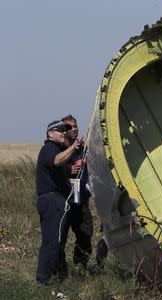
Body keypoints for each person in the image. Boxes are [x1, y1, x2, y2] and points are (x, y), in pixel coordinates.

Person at [35, 120, 82, 285]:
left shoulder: (57, 149)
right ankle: (44, 279)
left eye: (65, 130)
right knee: (53, 241)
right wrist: (74, 147)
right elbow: (56, 161)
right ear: (50, 134)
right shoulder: (49, 148)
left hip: (55, 200)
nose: (63, 132)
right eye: (59, 130)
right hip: (52, 200)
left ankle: (52, 276)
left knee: (54, 240)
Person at [61, 114, 93, 269]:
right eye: (69, 127)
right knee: (61, 236)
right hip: (64, 201)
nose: (73, 129)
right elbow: (51, 167)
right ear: (62, 130)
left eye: (75, 126)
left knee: (86, 233)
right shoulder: (59, 149)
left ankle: (80, 266)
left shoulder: (83, 149)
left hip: (81, 200)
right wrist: (68, 170)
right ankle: (60, 269)